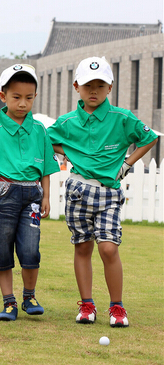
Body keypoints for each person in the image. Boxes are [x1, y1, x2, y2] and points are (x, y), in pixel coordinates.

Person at [47, 56, 158, 328]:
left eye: (100, 85)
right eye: (87, 85)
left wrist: (127, 164)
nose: (93, 91)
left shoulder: (122, 118)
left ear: (110, 87)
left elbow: (150, 138)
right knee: (83, 246)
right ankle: (87, 306)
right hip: (77, 191)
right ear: (77, 87)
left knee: (108, 248)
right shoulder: (67, 121)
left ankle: (117, 307)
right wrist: (70, 151)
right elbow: (45, 140)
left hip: (108, 193)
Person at [0, 64, 59, 321]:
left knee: (30, 249)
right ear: (3, 96)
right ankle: (9, 302)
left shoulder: (40, 130)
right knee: (2, 249)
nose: (23, 103)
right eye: (16, 97)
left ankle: (29, 297)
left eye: (29, 98)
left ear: (35, 97)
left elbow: (46, 168)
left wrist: (46, 196)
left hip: (32, 196)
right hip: (2, 194)